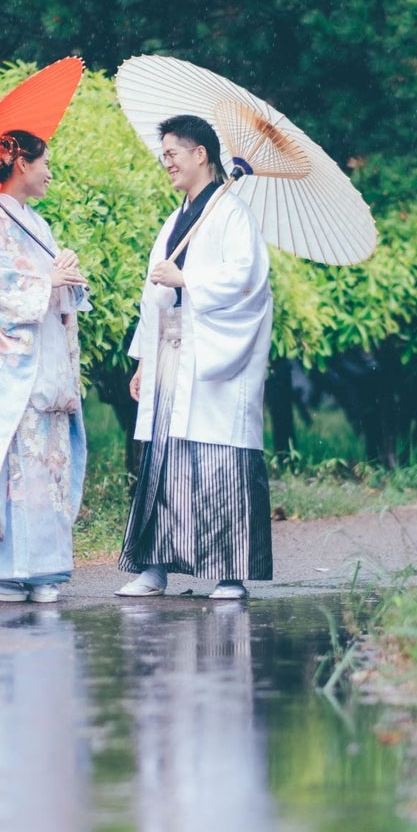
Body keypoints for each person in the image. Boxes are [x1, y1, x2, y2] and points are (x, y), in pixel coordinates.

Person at [117, 114, 274, 600]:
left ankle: (231, 572)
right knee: (163, 457)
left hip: (215, 353)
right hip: (170, 348)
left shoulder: (232, 214)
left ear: (200, 154)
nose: (166, 163)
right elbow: (153, 295)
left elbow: (248, 281)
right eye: (164, 155)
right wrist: (144, 358)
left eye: (172, 154)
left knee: (217, 457)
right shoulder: (175, 219)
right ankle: (154, 566)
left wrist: (189, 281)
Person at [0, 130, 90, 603]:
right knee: (13, 458)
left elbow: (52, 286)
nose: (49, 172)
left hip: (44, 354)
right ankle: (0, 572)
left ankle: (44, 569)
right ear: (22, 162)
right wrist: (47, 279)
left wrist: (64, 275)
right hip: (12, 362)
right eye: (45, 162)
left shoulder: (35, 223)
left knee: (48, 458)